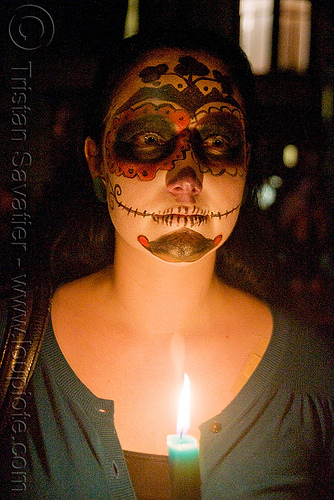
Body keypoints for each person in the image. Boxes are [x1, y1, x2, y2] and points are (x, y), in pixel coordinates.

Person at [1, 30, 333, 499]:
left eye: (217, 141)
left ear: (247, 162)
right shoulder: (16, 350)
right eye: (150, 138)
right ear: (97, 161)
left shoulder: (311, 379)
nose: (186, 177)